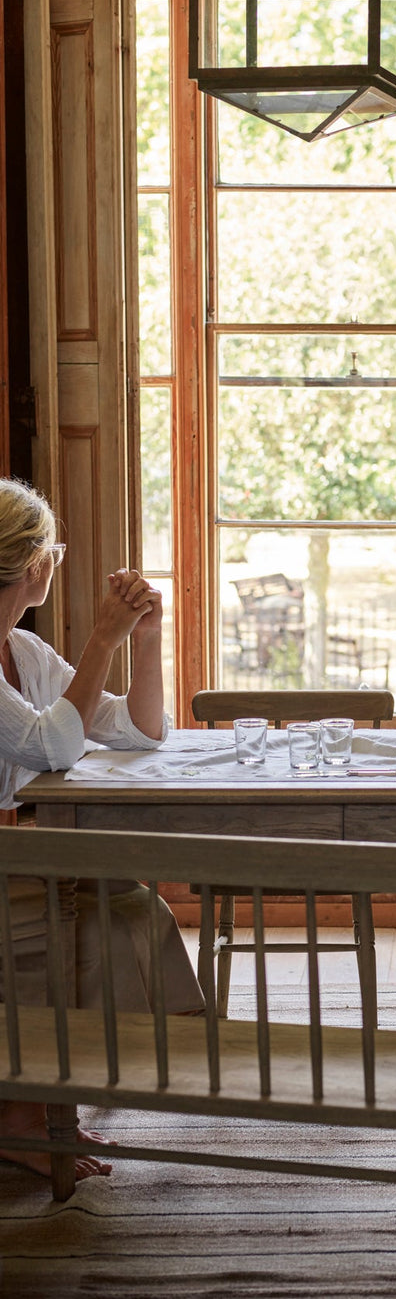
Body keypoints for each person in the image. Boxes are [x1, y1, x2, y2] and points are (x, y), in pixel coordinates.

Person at [0, 478, 203, 1180]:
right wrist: (99, 637)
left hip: (19, 856)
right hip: (7, 863)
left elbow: (137, 729)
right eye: (51, 549)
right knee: (95, 917)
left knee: (136, 907)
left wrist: (144, 641)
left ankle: (51, 1101)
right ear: (32, 565)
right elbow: (53, 744)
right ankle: (24, 1116)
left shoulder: (22, 654)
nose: (55, 560)